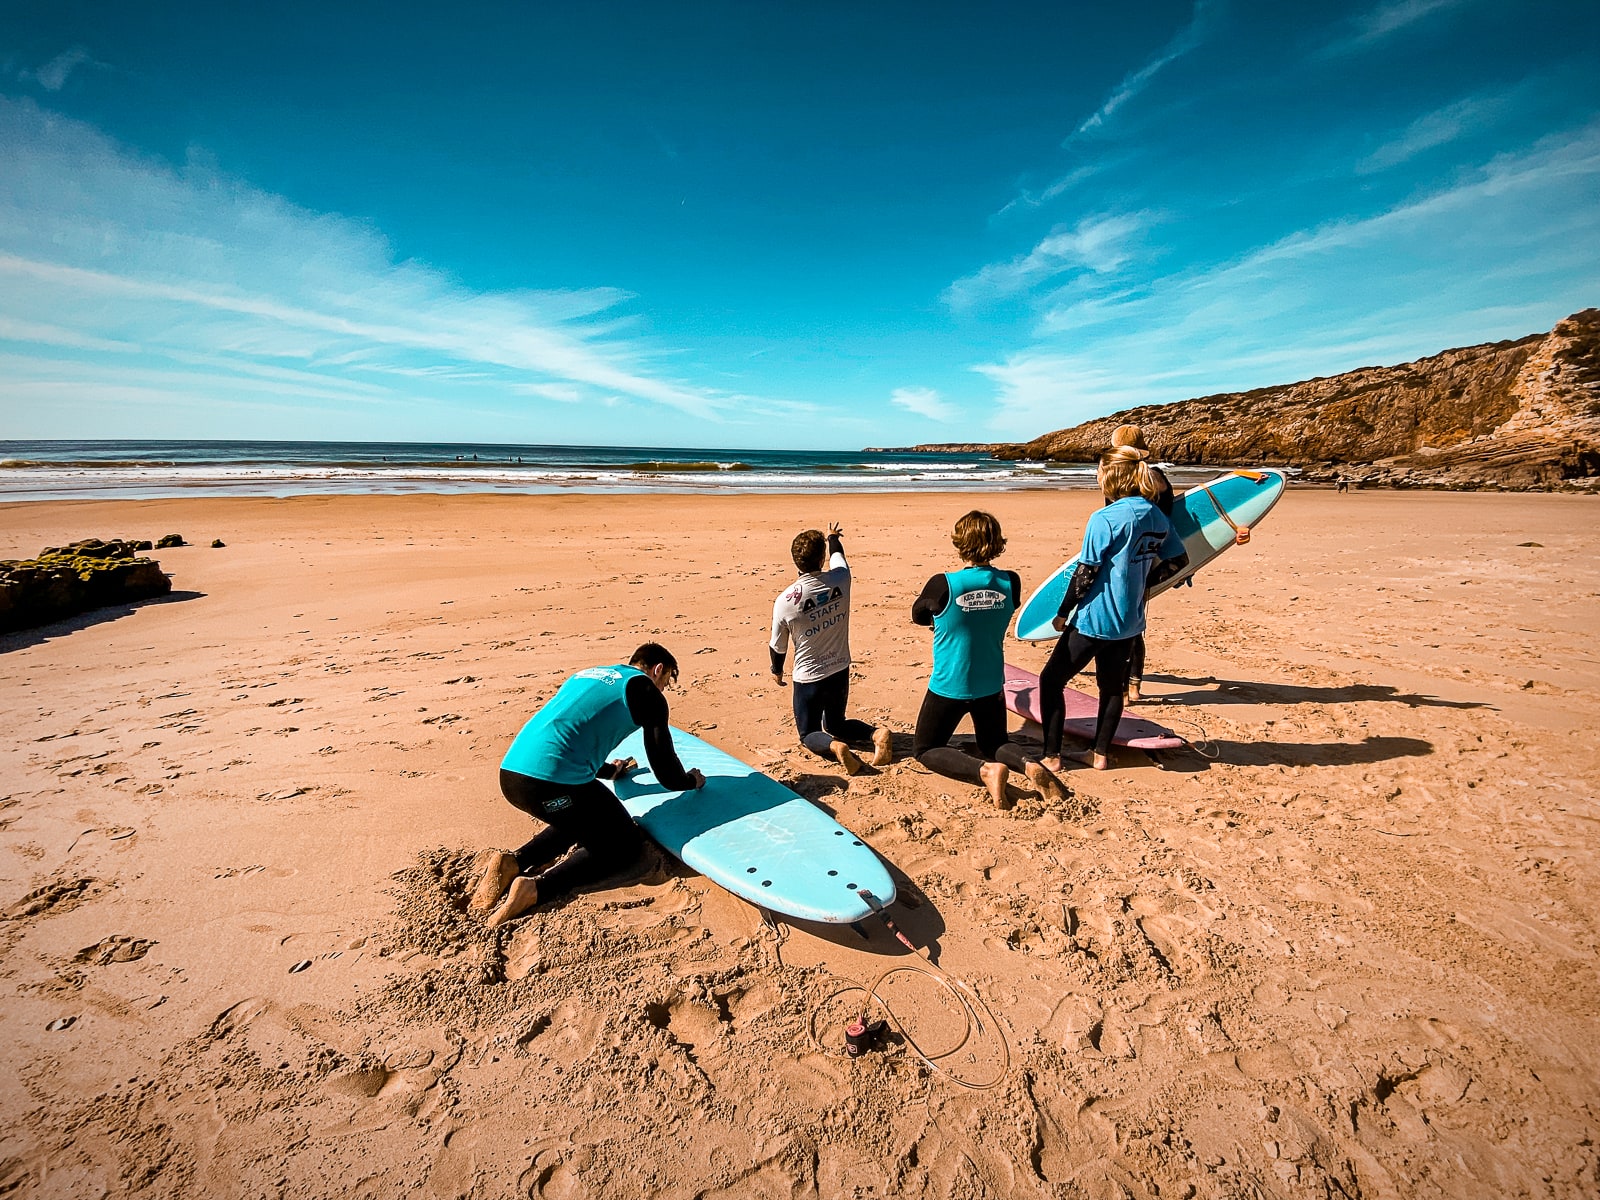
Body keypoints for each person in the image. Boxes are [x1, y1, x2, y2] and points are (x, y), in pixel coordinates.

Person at [470, 643, 705, 927]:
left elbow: (568, 734)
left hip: (512, 774)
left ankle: (514, 861)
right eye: (666, 682)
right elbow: (666, 771)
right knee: (624, 844)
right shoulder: (647, 693)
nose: (663, 690)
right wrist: (690, 781)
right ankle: (536, 888)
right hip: (549, 785)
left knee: (584, 818)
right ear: (657, 670)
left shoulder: (589, 674)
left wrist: (610, 770)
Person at [1039, 447, 1188, 772]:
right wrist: (1147, 581)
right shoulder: (1156, 515)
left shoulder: (1105, 518)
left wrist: (1063, 613)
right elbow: (1179, 560)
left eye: (1100, 473)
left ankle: (1051, 756)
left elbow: (1086, 572)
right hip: (1130, 622)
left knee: (1051, 681)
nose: (1097, 478)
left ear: (1112, 477)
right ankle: (1099, 753)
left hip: (1096, 619)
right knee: (1111, 689)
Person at [911, 511, 1069, 808]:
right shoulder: (1011, 582)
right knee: (994, 743)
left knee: (926, 747)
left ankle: (984, 771)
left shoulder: (943, 584)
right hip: (992, 684)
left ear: (960, 543)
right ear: (996, 542)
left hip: (950, 685)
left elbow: (919, 614)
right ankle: (1028, 765)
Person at [769, 523, 894, 774]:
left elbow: (777, 645)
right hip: (839, 667)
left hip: (809, 678)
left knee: (808, 732)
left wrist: (777, 670)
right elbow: (839, 554)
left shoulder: (785, 601)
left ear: (796, 561)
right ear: (821, 558)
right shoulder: (840, 578)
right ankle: (876, 734)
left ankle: (836, 748)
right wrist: (833, 537)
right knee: (837, 722)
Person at [1108, 424, 1176, 704]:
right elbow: (1171, 515)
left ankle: (1124, 689)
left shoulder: (1123, 481)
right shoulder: (1158, 477)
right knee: (1134, 621)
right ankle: (1132, 687)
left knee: (1126, 624)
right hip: (1155, 554)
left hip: (1129, 558)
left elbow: (1114, 521)